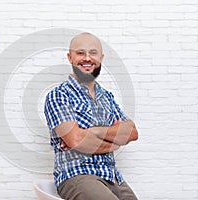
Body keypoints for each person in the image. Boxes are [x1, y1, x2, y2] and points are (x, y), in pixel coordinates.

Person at [44, 32, 139, 200]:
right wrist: (114, 140)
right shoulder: (59, 95)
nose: (87, 58)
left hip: (113, 177)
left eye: (93, 53)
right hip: (77, 175)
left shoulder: (107, 97)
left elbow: (131, 132)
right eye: (80, 53)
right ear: (70, 57)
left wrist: (92, 132)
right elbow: (76, 140)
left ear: (101, 58)